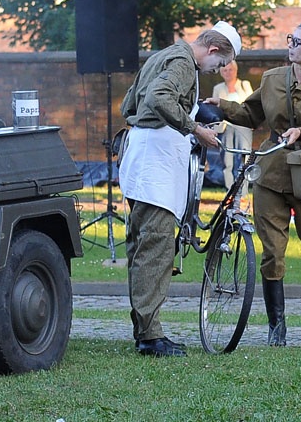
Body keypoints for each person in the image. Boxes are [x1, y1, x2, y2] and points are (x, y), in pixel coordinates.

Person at [207, 17, 301, 347]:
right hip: (271, 172)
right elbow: (251, 114)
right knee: (273, 251)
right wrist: (224, 107)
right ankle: (277, 325)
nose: (290, 45)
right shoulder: (273, 79)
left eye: (297, 42)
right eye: (290, 39)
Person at [118, 20, 242, 358]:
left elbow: (128, 106)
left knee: (143, 247)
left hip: (141, 157)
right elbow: (160, 98)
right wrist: (195, 129)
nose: (217, 71)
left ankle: (144, 329)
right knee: (155, 251)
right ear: (213, 50)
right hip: (155, 164)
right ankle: (150, 335)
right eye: (219, 64)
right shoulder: (185, 63)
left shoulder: (164, 55)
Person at [211, 60, 254, 187]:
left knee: (245, 158)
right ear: (221, 73)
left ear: (236, 71)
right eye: (225, 70)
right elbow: (216, 109)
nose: (228, 73)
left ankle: (243, 190)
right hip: (226, 127)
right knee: (227, 160)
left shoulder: (244, 85)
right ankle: (229, 189)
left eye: (230, 70)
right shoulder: (218, 88)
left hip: (243, 126)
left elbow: (250, 104)